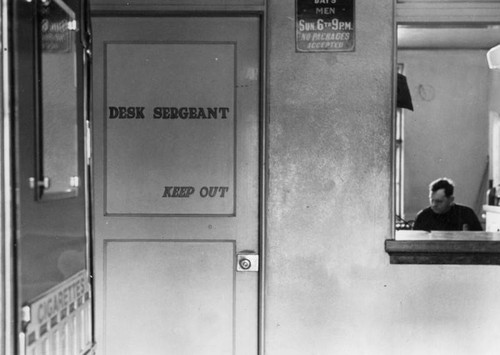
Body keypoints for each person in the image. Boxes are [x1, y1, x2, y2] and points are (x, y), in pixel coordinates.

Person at [413, 178, 482, 231]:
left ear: (451, 200)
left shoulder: (466, 214)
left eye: (439, 201)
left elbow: (480, 241)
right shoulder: (423, 217)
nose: (433, 205)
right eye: (431, 200)